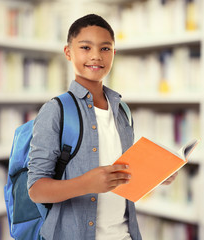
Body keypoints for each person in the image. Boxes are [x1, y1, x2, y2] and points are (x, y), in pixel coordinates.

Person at [27, 14, 177, 240]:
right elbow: (36, 190)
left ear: (114, 54)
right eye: (85, 47)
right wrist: (86, 184)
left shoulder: (122, 110)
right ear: (68, 52)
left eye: (105, 49)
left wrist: (155, 174)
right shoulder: (56, 111)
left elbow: (122, 175)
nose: (96, 56)